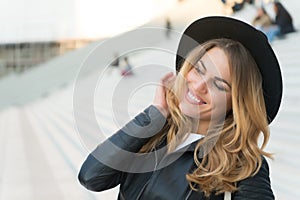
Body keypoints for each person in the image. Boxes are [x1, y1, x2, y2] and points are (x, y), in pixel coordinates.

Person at [78, 16, 282, 199]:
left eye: (219, 85)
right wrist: (155, 114)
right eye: (199, 70)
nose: (199, 86)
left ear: (236, 103)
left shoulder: (244, 165)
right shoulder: (154, 133)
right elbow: (91, 177)